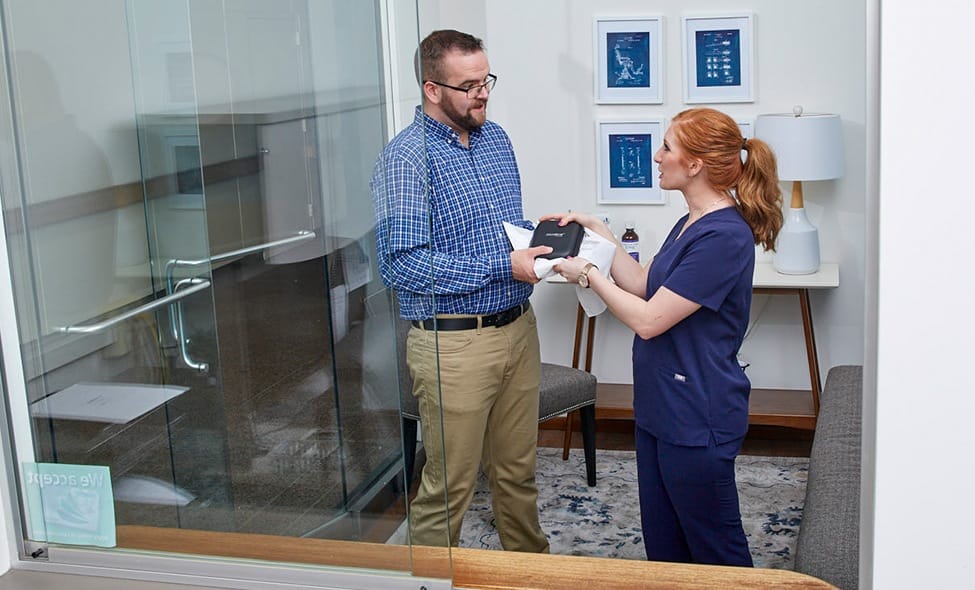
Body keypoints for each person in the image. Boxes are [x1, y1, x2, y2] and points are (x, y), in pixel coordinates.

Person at [547, 107, 783, 566]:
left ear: (694, 164)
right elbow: (640, 283)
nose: (657, 156)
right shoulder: (690, 222)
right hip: (661, 405)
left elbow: (650, 319)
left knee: (716, 548)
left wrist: (590, 274)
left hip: (698, 412)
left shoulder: (723, 236)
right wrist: (599, 231)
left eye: (667, 147)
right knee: (665, 541)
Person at [370, 29, 552, 553]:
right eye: (469, 85)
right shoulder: (405, 160)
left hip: (518, 329)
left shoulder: (496, 139)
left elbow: (499, 229)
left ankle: (531, 576)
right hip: (454, 346)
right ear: (432, 90)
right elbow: (402, 265)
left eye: (486, 79)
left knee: (518, 477)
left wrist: (538, 241)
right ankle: (428, 583)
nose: (483, 93)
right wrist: (504, 263)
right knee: (448, 488)